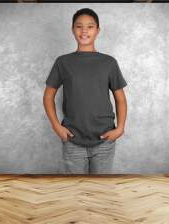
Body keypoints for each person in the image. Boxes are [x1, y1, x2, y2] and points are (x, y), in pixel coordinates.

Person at [43, 8, 128, 174]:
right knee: (76, 192)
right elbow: (48, 97)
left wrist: (120, 128)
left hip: (104, 140)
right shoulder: (63, 62)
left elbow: (121, 99)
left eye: (90, 26)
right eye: (79, 26)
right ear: (72, 29)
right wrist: (56, 127)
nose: (84, 31)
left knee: (101, 191)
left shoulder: (109, 62)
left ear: (97, 30)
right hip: (72, 140)